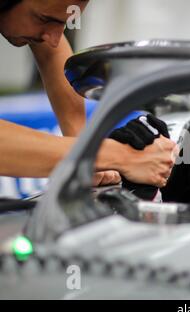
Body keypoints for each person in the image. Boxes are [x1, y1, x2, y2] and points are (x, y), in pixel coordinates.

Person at [0, 0, 177, 187]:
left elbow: (51, 52)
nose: (54, 37)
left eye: (63, 24)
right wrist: (116, 155)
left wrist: (84, 152)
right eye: (44, 18)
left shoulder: (41, 21)